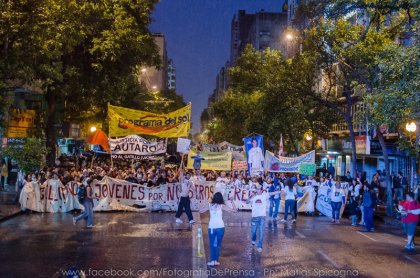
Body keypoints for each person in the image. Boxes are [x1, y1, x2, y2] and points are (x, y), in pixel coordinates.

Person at [199, 192, 238, 267]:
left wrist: (206, 200)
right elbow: (235, 210)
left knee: (212, 244)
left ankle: (212, 261)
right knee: (217, 244)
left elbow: (200, 210)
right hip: (221, 228)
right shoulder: (222, 206)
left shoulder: (210, 205)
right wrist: (232, 201)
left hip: (212, 228)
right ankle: (216, 261)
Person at [247, 183, 281, 252]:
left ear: (262, 190)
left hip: (262, 217)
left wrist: (280, 191)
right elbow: (247, 202)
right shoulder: (253, 196)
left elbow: (272, 193)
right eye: (257, 189)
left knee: (261, 232)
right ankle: (253, 239)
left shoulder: (264, 195)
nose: (258, 190)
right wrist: (251, 196)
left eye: (259, 189)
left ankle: (260, 246)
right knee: (253, 232)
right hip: (254, 217)